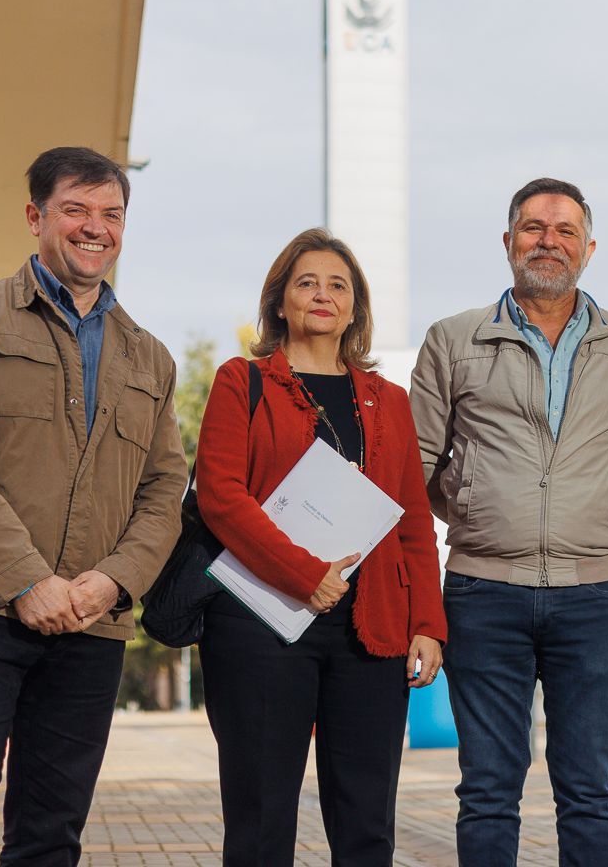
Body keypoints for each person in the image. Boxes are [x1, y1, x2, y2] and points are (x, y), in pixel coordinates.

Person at [0, 147, 188, 867]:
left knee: (52, 829)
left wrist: (112, 582)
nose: (95, 228)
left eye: (111, 214)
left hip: (92, 623)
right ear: (36, 217)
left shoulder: (149, 358)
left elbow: (164, 490)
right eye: (75, 210)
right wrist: (26, 579)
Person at [409, 177, 608, 867]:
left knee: (587, 787)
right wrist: (477, 505)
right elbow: (414, 467)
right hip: (482, 592)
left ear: (589, 247)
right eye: (533, 228)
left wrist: (601, 518)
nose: (548, 242)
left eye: (565, 231)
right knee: (488, 788)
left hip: (596, 595)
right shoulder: (453, 340)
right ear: (507, 241)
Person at [193, 228, 446, 867]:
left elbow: (412, 520)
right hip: (258, 625)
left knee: (367, 826)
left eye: (339, 285)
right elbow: (221, 497)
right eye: (307, 283)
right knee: (260, 820)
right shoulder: (240, 382)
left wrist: (428, 624)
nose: (323, 295)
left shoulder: (388, 400)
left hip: (370, 633)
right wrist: (304, 573)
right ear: (280, 302)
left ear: (355, 307)